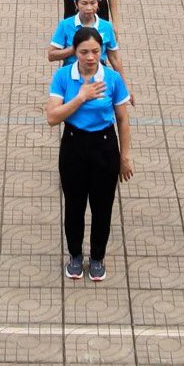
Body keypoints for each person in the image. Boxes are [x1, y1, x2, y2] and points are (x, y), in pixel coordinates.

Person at [46, 24, 133, 282]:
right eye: (84, 52)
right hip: (74, 144)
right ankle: (75, 255)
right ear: (76, 52)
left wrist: (125, 156)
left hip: (105, 146)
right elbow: (52, 117)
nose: (90, 57)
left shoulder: (113, 79)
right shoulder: (63, 77)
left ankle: (97, 257)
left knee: (102, 207)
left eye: (95, 51)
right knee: (74, 206)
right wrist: (81, 97)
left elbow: (123, 120)